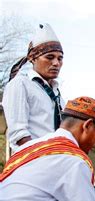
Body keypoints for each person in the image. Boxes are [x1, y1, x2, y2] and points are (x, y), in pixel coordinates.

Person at [3, 23, 65, 153]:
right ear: (32, 58)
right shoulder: (20, 85)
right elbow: (19, 135)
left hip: (54, 159)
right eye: (49, 57)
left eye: (60, 58)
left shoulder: (57, 94)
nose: (56, 63)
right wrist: (43, 158)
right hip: (31, 161)